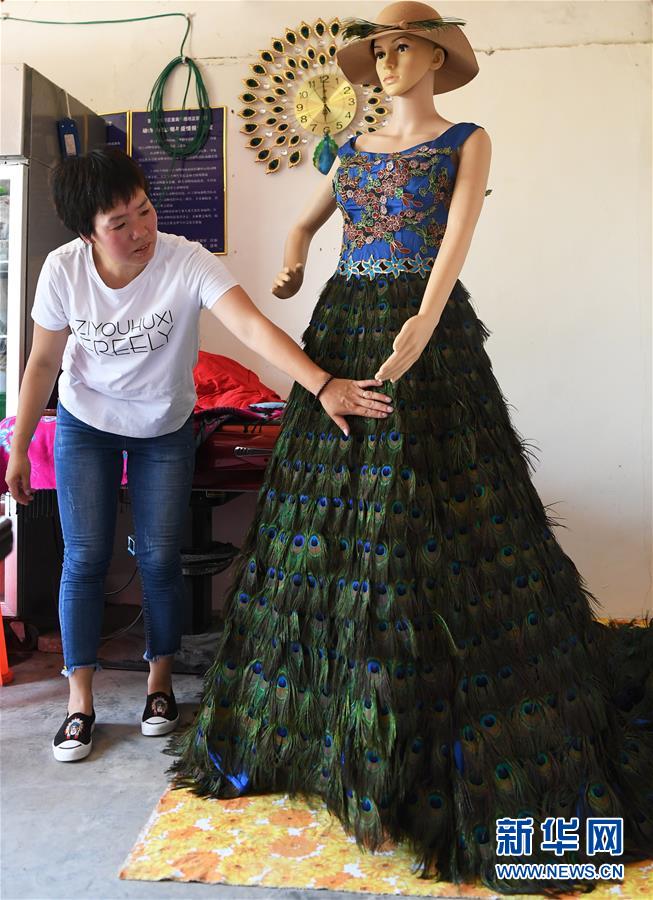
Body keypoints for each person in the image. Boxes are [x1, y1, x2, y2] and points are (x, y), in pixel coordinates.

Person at [167, 2, 653, 894]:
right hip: (345, 324)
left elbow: (455, 241)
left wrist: (426, 321)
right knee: (324, 519)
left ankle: (432, 722)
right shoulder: (350, 149)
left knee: (432, 507)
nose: (385, 63)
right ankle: (324, 733)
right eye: (377, 51)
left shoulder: (467, 140)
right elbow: (306, 224)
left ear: (435, 56)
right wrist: (290, 259)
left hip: (423, 338)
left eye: (399, 48)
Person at [4, 147, 394, 763]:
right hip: (86, 423)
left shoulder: (186, 260)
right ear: (88, 234)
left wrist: (321, 384)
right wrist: (21, 446)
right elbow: (43, 361)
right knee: (84, 559)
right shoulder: (63, 270)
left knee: (160, 557)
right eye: (120, 223)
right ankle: (79, 703)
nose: (141, 230)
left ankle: (159, 685)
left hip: (164, 427)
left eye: (145, 210)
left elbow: (251, 326)